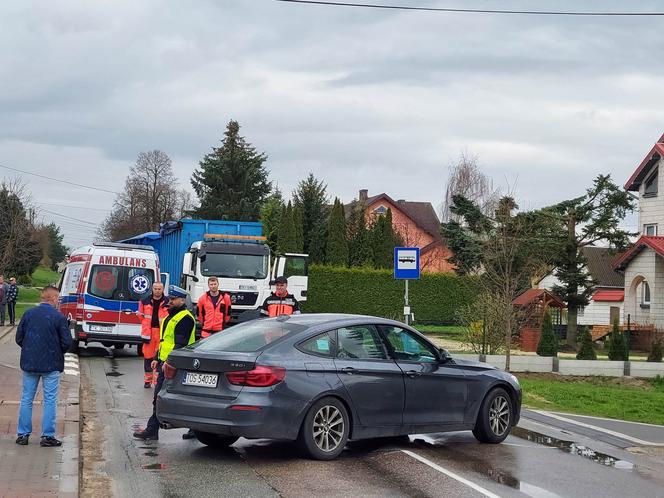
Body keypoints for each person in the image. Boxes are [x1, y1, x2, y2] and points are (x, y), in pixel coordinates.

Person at [133, 286, 196, 441]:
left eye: (173, 300)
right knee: (159, 397)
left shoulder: (185, 318)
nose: (170, 302)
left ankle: (194, 428)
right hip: (166, 362)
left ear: (182, 300)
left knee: (174, 397)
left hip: (176, 364)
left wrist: (168, 362)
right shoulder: (170, 316)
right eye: (171, 299)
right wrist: (156, 357)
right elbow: (164, 340)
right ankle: (153, 429)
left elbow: (180, 344)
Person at [15, 286, 72, 447]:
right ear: (53, 298)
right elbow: (67, 342)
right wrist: (57, 352)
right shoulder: (58, 317)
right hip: (51, 364)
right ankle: (47, 436)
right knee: (50, 400)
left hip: (29, 363)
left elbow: (19, 337)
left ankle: (23, 435)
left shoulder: (28, 314)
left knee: (26, 398)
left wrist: (29, 349)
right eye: (58, 298)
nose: (58, 301)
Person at [138, 282, 169, 388]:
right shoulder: (144, 301)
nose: (157, 291)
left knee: (159, 357)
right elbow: (141, 317)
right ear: (152, 289)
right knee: (148, 357)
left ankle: (156, 381)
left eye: (159, 289)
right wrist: (146, 328)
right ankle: (147, 380)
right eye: (155, 288)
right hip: (149, 333)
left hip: (161, 333)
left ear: (163, 289)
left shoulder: (167, 302)